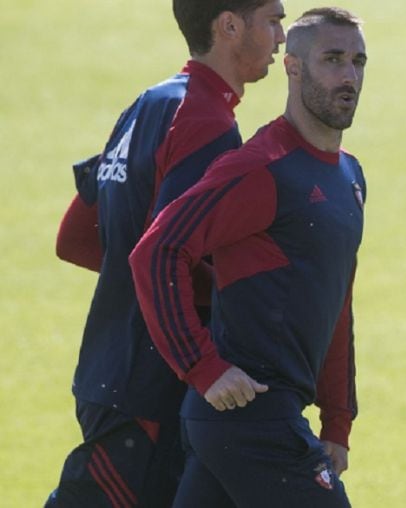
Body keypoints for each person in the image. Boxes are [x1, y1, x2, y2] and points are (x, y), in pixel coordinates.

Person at [48, 1, 287, 506]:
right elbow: (163, 252)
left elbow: (75, 238)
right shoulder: (208, 121)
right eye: (272, 20)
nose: (281, 38)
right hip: (149, 390)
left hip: (105, 371)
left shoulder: (149, 103)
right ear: (229, 26)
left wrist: (135, 276)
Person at [129, 7, 368, 507]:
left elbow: (336, 301)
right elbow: (157, 251)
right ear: (294, 67)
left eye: (357, 61)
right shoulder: (260, 168)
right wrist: (202, 366)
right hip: (250, 416)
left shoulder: (349, 177)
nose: (348, 75)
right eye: (332, 59)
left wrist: (338, 421)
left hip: (247, 421)